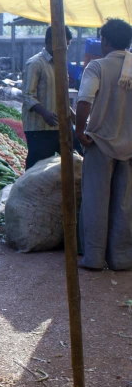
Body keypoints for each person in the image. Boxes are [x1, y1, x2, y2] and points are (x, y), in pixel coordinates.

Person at [75, 18, 132, 271]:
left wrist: (79, 130)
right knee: (124, 204)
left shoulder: (97, 66)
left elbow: (84, 100)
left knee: (96, 201)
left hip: (100, 143)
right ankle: (121, 259)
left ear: (105, 41)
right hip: (129, 147)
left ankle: (95, 259)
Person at [21, 26, 75, 169]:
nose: (66, 49)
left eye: (68, 45)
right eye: (65, 44)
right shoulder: (35, 63)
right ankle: (29, 191)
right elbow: (27, 96)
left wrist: (73, 116)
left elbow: (59, 95)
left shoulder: (60, 65)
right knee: (37, 168)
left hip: (60, 126)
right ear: (52, 41)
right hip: (39, 129)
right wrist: (44, 113)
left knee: (76, 157)